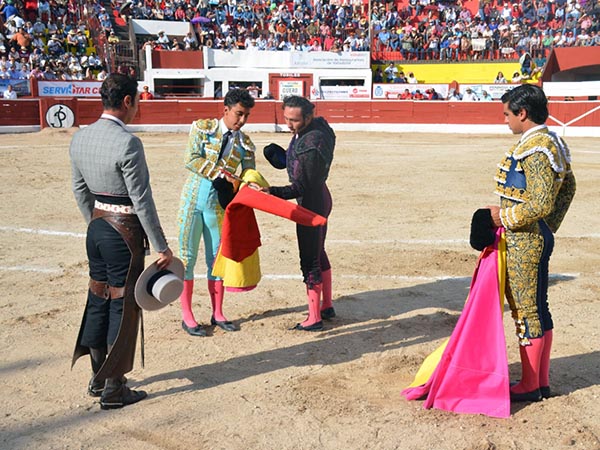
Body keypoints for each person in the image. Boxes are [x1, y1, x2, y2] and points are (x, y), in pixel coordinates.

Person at [69, 74, 173, 410]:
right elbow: (141, 201)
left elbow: (80, 190)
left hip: (97, 228)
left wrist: (96, 223)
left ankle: (98, 379)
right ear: (127, 101)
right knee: (122, 305)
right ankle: (115, 389)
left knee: (98, 299)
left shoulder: (80, 138)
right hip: (123, 232)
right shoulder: (128, 144)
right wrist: (161, 245)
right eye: (137, 100)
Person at [487, 84, 576, 402]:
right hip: (535, 235)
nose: (506, 120)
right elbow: (569, 188)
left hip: (525, 239)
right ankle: (540, 381)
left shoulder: (536, 148)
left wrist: (505, 218)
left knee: (526, 311)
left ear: (522, 113)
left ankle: (529, 384)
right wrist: (548, 229)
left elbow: (539, 202)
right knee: (538, 307)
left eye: (507, 114)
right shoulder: (551, 141)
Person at [177, 88, 256, 336]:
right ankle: (187, 315)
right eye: (239, 114)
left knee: (216, 261)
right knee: (187, 258)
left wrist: (249, 183)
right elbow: (190, 159)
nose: (242, 121)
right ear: (226, 110)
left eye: (246, 116)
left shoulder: (246, 145)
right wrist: (220, 174)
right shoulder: (203, 128)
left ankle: (218, 312)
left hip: (218, 208)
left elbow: (247, 176)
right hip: (191, 202)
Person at [261, 96, 335, 331]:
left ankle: (314, 317)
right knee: (318, 251)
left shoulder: (311, 144)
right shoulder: (317, 128)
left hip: (311, 203)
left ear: (308, 116)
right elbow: (300, 165)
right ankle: (327, 305)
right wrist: (286, 158)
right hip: (320, 195)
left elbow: (300, 186)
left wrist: (270, 192)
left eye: (294, 120)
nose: (289, 124)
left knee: (309, 258)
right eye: (286, 118)